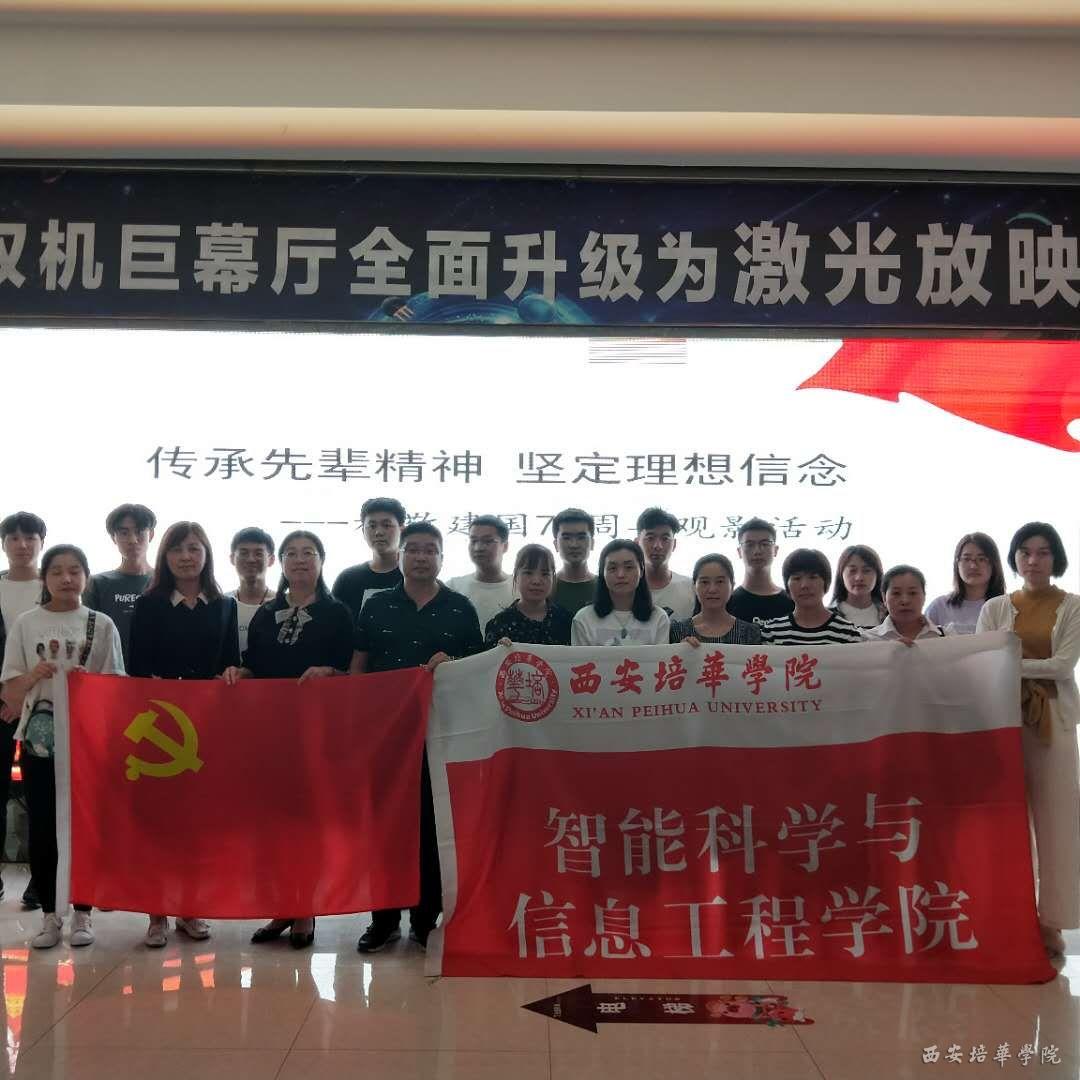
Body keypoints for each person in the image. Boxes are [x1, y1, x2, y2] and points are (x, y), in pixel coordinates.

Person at [350, 521, 483, 952]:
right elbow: (359, 667)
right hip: (386, 735)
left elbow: (476, 672)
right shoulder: (376, 606)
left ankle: (426, 919)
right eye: (414, 549)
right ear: (402, 555)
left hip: (440, 734)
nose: (421, 557)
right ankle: (383, 919)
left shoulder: (460, 608)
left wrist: (453, 663)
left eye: (430, 550)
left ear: (441, 558)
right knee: (386, 826)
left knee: (432, 827)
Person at [223, 530, 354, 950]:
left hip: (317, 735)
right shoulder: (266, 613)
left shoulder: (338, 613)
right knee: (272, 824)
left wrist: (331, 673)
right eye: (291, 553)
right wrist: (240, 673)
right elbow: (255, 666)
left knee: (307, 823)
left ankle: (305, 909)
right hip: (270, 735)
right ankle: (281, 905)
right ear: (280, 563)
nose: (300, 560)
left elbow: (354, 673)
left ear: (321, 561)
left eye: (308, 553)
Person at [1, 545, 123, 948]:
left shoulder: (101, 623)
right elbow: (10, 690)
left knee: (84, 824)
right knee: (43, 824)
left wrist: (92, 686)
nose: (66, 579)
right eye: (56, 571)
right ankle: (50, 916)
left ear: (86, 576)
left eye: (74, 570)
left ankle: (83, 913)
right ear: (45, 578)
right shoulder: (26, 623)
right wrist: (34, 674)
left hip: (89, 741)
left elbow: (117, 686)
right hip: (40, 740)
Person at [128, 521, 240, 948]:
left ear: (206, 554)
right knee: (160, 823)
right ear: (165, 556)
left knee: (198, 823)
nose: (186, 556)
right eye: (177, 549)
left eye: (194, 548)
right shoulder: (149, 604)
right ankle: (156, 913)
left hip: (208, 727)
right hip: (161, 728)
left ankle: (191, 908)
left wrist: (232, 673)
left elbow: (231, 662)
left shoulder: (224, 605)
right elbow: (138, 669)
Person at [977, 522, 1080, 958]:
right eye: (1024, 552)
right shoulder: (996, 607)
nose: (1033, 560)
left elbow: (1062, 665)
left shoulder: (1073, 605)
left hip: (1053, 722)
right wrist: (1014, 666)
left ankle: (1051, 922)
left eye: (1043, 552)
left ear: (1056, 558)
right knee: (1008, 822)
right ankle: (1012, 917)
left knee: (1057, 823)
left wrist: (1012, 664)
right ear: (1014, 558)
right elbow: (982, 662)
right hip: (1003, 720)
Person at [0, 511, 47, 910]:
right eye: (13, 538)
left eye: (30, 537)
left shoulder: (54, 586)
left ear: (41, 542)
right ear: (4, 544)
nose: (22, 544)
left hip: (45, 704)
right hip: (0, 704)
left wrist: (25, 693)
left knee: (41, 794)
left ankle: (41, 879)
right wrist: (7, 696)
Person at [83, 503, 155, 666]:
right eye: (124, 533)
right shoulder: (97, 583)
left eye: (139, 531)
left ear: (151, 535)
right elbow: (89, 636)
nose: (133, 540)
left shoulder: (167, 581)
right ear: (113, 538)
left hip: (157, 675)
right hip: (110, 671)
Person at [571, 539, 670, 646]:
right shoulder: (584, 619)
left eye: (629, 567)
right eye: (612, 568)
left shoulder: (658, 618)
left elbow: (662, 656)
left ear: (641, 570)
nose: (621, 575)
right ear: (602, 573)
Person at [761, 549, 863, 645]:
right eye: (797, 578)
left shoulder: (847, 632)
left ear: (826, 583)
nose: (805, 585)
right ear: (787, 585)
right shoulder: (772, 632)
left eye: (813, 577)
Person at [332, 497, 405, 622]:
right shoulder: (347, 579)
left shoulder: (414, 577)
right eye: (372, 526)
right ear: (363, 532)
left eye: (386, 525)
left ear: (402, 530)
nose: (378, 532)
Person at [484, 544, 572, 647]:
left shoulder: (566, 619)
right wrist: (499, 650)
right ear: (516, 576)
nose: (536, 581)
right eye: (528, 573)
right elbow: (490, 657)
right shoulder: (499, 624)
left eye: (545, 574)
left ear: (553, 578)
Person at [669, 554, 764, 645]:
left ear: (732, 586)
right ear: (694, 586)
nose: (712, 589)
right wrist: (680, 650)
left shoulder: (750, 632)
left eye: (720, 581)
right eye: (705, 582)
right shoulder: (678, 631)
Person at [926, 532, 1006, 634]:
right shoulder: (939, 607)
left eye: (981, 559)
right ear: (957, 563)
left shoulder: (1006, 606)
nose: (973, 566)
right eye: (967, 559)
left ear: (994, 564)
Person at [447, 515, 515, 631]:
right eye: (473, 541)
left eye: (488, 541)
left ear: (505, 546)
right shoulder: (452, 587)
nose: (478, 548)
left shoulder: (519, 588)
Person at [727, 517, 795, 625]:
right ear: (739, 552)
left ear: (775, 550)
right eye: (749, 545)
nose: (757, 551)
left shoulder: (792, 601)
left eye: (765, 544)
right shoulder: (728, 602)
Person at [863, 565, 952, 642]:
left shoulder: (947, 637)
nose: (905, 601)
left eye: (912, 593)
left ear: (924, 596)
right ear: (884, 598)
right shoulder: (867, 640)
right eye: (896, 593)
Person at [636, 507, 695, 619]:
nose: (657, 546)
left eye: (665, 539)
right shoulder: (626, 589)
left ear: (674, 544)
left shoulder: (690, 588)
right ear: (637, 542)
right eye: (650, 538)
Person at [228, 527, 276, 654]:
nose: (251, 559)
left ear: (271, 560)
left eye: (258, 553)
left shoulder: (283, 605)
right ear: (232, 558)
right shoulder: (221, 604)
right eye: (243, 553)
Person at [551, 508, 597, 616]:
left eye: (581, 537)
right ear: (556, 544)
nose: (574, 545)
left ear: (592, 543)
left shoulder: (606, 586)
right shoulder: (545, 587)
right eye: (566, 538)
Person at [829, 544, 886, 628]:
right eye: (852, 571)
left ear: (878, 575)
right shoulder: (826, 616)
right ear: (841, 575)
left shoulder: (890, 614)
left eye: (866, 571)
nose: (859, 578)